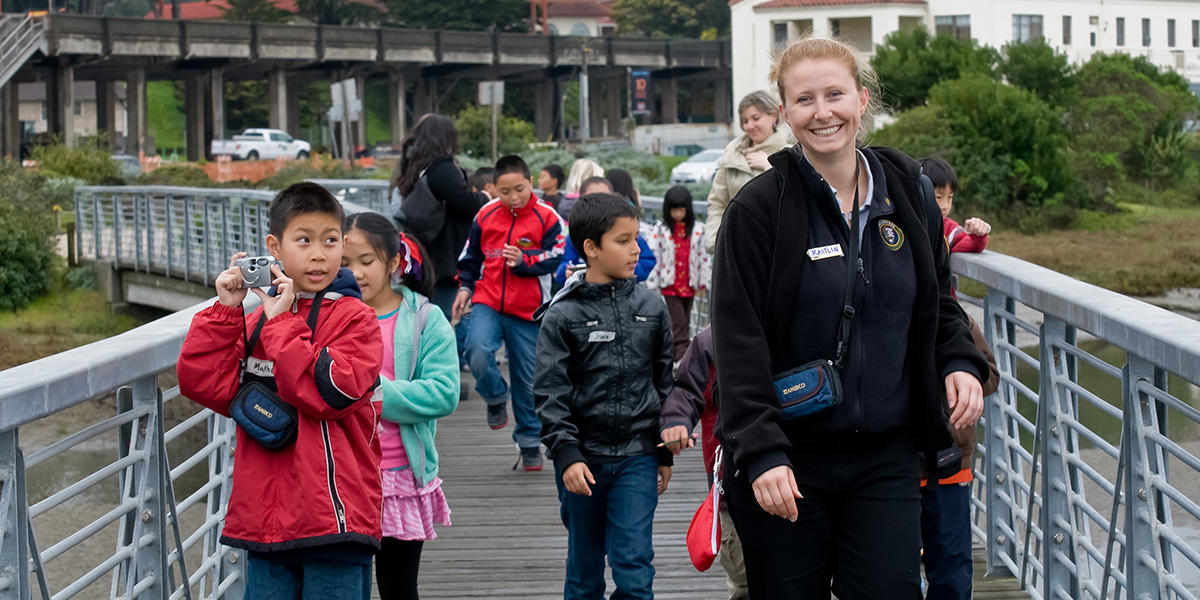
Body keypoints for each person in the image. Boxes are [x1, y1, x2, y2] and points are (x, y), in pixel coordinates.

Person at [710, 37, 989, 599]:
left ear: (862, 100)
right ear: (785, 113)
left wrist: (959, 361)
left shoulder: (906, 191)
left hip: (885, 453)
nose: (823, 112)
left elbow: (937, 301)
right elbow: (738, 341)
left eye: (835, 94)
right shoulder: (760, 209)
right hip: (787, 458)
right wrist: (761, 452)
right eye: (805, 100)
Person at [178, 182, 384, 599]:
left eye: (329, 241)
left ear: (342, 245)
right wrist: (226, 310)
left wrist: (282, 322)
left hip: (334, 524)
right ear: (274, 246)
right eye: (303, 240)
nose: (317, 254)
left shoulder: (356, 320)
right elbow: (205, 384)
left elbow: (330, 394)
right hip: (266, 524)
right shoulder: (259, 323)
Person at [534, 192, 675, 600]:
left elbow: (664, 383)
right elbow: (549, 391)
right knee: (584, 572)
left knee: (634, 571)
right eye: (623, 240)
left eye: (637, 238)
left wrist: (663, 451)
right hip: (583, 461)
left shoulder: (652, 307)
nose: (636, 250)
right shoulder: (562, 314)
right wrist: (566, 454)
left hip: (638, 456)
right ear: (591, 248)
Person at [343, 212, 458, 600]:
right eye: (344, 263)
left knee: (399, 587)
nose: (355, 273)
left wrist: (375, 393)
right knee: (344, 585)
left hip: (400, 476)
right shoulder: (330, 317)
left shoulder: (426, 319)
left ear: (393, 263)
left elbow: (444, 392)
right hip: (343, 476)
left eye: (366, 261)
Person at [453, 155, 566, 471]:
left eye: (519, 188)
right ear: (493, 189)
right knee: (476, 351)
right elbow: (470, 256)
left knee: (528, 380)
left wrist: (525, 260)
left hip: (529, 309)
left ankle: (530, 442)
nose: (514, 197)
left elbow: (558, 254)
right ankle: (494, 396)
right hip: (488, 300)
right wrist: (464, 287)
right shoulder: (485, 215)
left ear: (531, 183)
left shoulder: (548, 217)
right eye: (505, 191)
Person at [917, 156, 996, 600]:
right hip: (896, 466)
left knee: (951, 564)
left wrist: (961, 375)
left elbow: (989, 373)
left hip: (951, 461)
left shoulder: (959, 322)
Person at [659, 326, 748, 600]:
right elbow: (686, 390)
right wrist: (676, 421)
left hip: (800, 484)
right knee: (744, 582)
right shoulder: (710, 340)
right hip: (732, 490)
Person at [388, 114, 488, 324]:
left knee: (424, 315)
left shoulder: (413, 167)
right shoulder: (442, 168)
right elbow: (463, 200)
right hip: (444, 253)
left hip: (422, 250)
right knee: (449, 316)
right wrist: (484, 197)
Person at [705, 90, 793, 252]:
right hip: (735, 248)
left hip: (777, 250)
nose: (749, 126)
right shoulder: (732, 154)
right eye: (745, 121)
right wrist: (716, 241)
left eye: (755, 118)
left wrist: (769, 167)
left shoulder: (789, 154)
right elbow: (718, 202)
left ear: (773, 116)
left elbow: (796, 201)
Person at [645, 185, 711, 361]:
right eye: (674, 210)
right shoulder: (661, 230)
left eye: (681, 210)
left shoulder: (698, 230)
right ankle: (681, 358)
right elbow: (655, 254)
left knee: (685, 320)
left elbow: (703, 257)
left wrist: (704, 281)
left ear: (687, 209)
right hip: (669, 283)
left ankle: (676, 355)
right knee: (679, 322)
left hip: (689, 283)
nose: (677, 214)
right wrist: (654, 280)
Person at [555, 177, 656, 285]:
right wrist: (566, 273)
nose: (636, 249)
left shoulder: (627, 233)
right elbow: (560, 265)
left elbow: (648, 260)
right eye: (593, 198)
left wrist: (628, 268)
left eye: (605, 197)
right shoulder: (573, 238)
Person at [920, 157, 991, 255]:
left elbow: (971, 244)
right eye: (938, 197)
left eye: (950, 197)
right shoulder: (900, 226)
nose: (945, 205)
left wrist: (978, 233)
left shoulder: (949, 229)